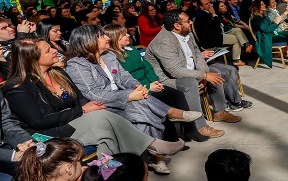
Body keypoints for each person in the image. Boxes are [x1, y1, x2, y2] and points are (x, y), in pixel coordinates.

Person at [4, 38, 183, 169]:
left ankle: (112, 179)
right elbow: (38, 121)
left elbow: (80, 97)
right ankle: (152, 146)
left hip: (75, 121)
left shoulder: (58, 73)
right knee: (103, 117)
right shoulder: (18, 86)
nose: (54, 51)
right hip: (49, 132)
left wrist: (89, 106)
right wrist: (82, 110)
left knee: (106, 137)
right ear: (32, 58)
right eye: (47, 50)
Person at [65, 25, 200, 149]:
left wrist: (137, 87)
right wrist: (128, 95)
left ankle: (154, 154)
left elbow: (124, 76)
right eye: (101, 36)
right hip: (102, 105)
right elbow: (93, 93)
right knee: (141, 107)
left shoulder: (108, 56)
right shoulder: (77, 64)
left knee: (141, 107)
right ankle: (168, 116)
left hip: (121, 97)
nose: (107, 38)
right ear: (89, 40)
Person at [104, 24, 209, 142]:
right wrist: (149, 86)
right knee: (165, 100)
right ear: (115, 38)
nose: (128, 35)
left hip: (151, 83)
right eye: (123, 35)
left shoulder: (132, 50)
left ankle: (190, 130)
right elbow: (126, 79)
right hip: (138, 88)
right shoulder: (112, 58)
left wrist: (154, 81)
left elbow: (147, 67)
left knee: (177, 94)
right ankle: (171, 139)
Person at [145, 10, 249, 126]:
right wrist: (203, 75)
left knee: (214, 73)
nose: (191, 23)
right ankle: (198, 125)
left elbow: (197, 54)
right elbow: (175, 71)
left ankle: (220, 112)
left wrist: (204, 74)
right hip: (167, 78)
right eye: (188, 21)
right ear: (177, 26)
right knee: (190, 83)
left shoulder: (187, 33)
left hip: (188, 70)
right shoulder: (164, 41)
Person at [194, 0, 250, 66]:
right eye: (206, 4)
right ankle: (236, 60)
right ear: (201, 7)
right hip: (212, 39)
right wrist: (214, 14)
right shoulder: (202, 15)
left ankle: (247, 44)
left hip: (217, 34)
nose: (209, 5)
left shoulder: (206, 13)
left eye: (209, 3)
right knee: (236, 39)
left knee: (237, 30)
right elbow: (216, 24)